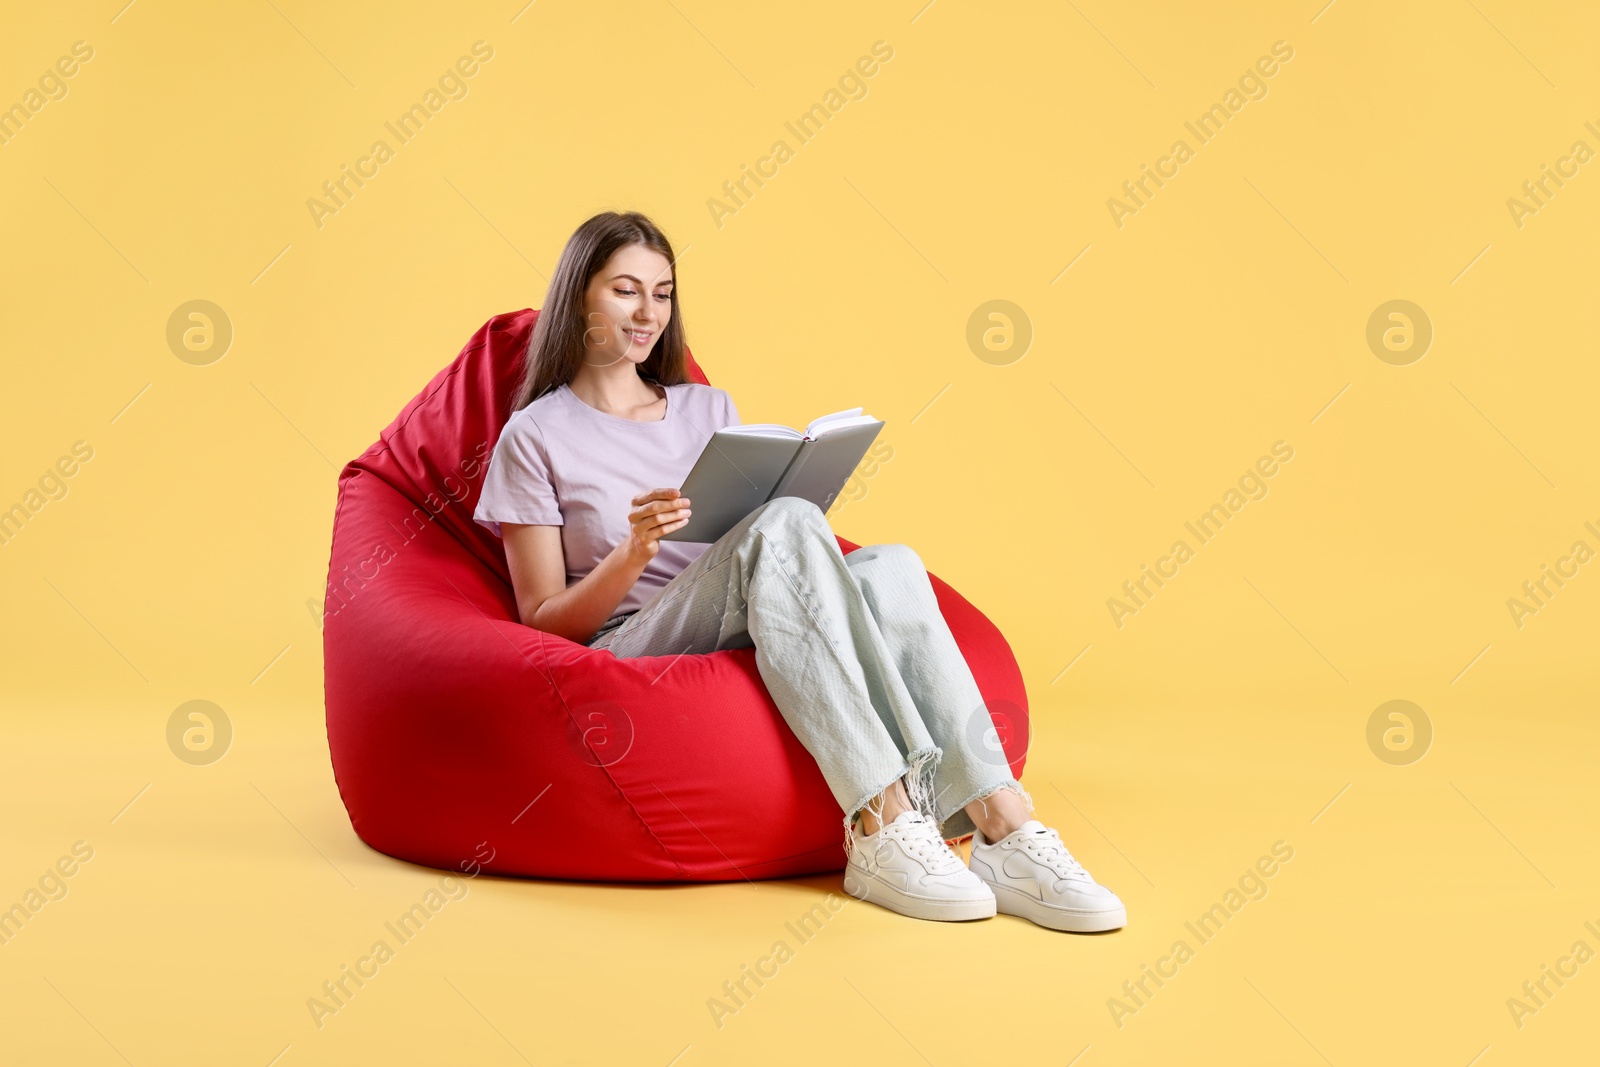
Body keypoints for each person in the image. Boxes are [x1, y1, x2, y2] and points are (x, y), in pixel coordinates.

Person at [472, 210, 1126, 932]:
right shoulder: (533, 435)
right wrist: (633, 553)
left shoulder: (705, 407)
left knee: (893, 567)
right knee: (782, 526)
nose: (647, 312)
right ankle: (881, 820)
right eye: (626, 290)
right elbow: (540, 620)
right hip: (630, 635)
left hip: (740, 609)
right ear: (579, 299)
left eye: (662, 293)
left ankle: (1002, 820)